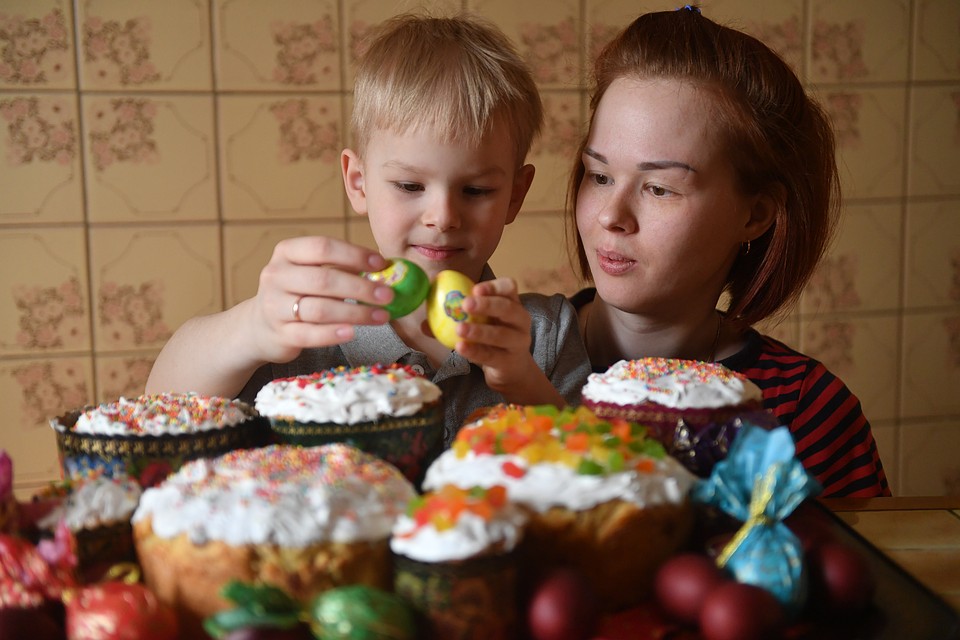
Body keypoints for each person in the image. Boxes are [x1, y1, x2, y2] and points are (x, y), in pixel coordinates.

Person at [145, 13, 590, 444]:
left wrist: (522, 381)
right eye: (409, 185)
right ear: (358, 183)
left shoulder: (544, 333)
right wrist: (253, 325)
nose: (442, 216)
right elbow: (158, 408)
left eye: (475, 190)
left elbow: (596, 469)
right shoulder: (314, 328)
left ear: (515, 194)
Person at [566, 7, 889, 497]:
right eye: (600, 175)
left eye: (659, 188)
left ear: (755, 214)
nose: (612, 215)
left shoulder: (805, 414)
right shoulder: (504, 357)